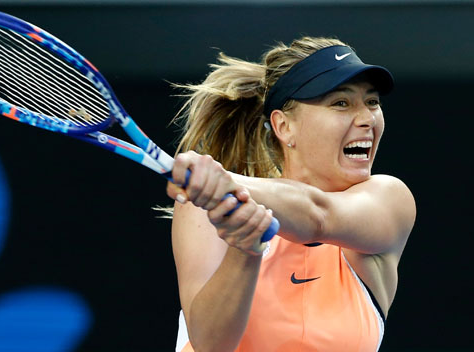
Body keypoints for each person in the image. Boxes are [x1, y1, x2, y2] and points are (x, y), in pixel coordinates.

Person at [165, 36, 416, 352]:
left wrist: (225, 181)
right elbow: (211, 344)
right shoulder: (204, 211)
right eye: (341, 102)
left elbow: (317, 214)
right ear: (284, 127)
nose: (367, 119)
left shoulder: (390, 200)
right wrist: (245, 249)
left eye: (372, 102)